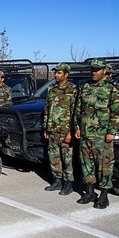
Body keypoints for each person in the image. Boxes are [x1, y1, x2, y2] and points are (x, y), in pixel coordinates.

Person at [74, 58, 119, 209]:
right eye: (92, 69)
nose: (94, 72)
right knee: (86, 164)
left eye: (97, 70)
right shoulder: (85, 86)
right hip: (86, 133)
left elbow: (116, 112)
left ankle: (104, 196)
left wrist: (112, 131)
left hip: (102, 135)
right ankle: (89, 193)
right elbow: (78, 109)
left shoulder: (112, 88)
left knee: (104, 166)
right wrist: (77, 127)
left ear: (104, 71)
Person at [43, 63, 78, 195]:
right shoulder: (52, 89)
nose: (56, 75)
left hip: (65, 131)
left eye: (59, 73)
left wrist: (71, 131)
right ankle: (57, 181)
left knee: (67, 158)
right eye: (55, 73)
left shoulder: (73, 90)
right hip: (52, 130)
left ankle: (68, 184)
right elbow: (47, 109)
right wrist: (46, 128)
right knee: (54, 156)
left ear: (66, 74)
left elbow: (75, 112)